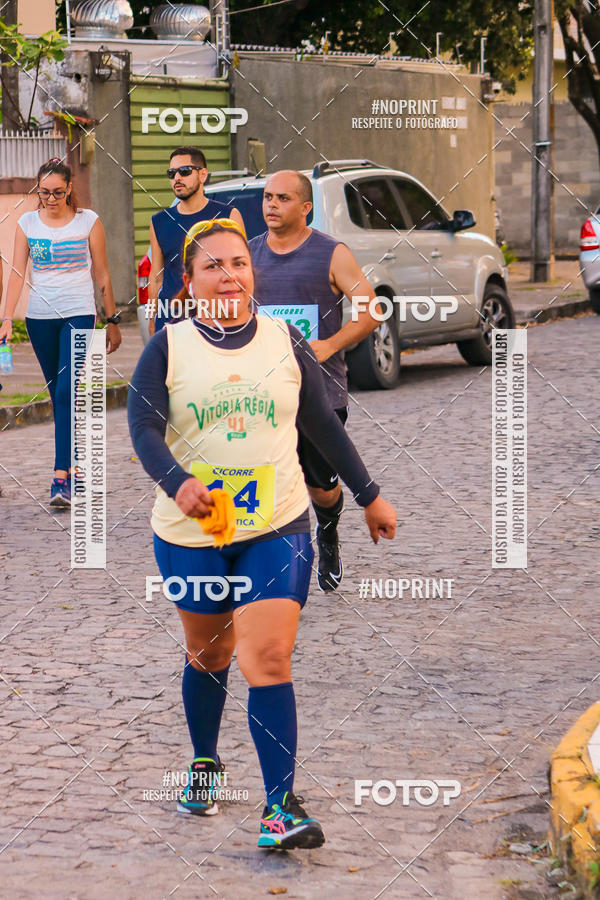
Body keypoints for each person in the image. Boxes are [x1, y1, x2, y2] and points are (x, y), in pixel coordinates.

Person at [128, 219, 396, 849]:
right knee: (211, 653)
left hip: (276, 523)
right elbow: (142, 427)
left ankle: (280, 807)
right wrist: (177, 481)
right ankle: (204, 762)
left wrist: (369, 495)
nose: (228, 275)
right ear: (189, 285)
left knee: (268, 656)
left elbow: (322, 425)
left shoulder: (284, 340)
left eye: (237, 265)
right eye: (212, 267)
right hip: (193, 530)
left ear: (252, 275)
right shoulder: (167, 346)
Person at [250, 170, 382, 592]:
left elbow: (371, 310)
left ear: (305, 207)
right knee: (266, 482)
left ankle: (328, 529)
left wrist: (328, 345)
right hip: (262, 394)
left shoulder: (331, 253)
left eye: (282, 198)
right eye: (268, 197)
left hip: (320, 394)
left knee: (321, 489)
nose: (271, 205)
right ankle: (275, 563)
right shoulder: (248, 255)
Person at [0, 158, 121, 507]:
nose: (50, 199)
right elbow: (17, 274)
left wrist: (112, 319)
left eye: (57, 192)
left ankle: (60, 477)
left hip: (79, 313)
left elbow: (103, 275)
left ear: (69, 188)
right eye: (43, 193)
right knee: (59, 396)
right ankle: (77, 466)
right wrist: (7, 318)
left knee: (68, 387)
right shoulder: (27, 223)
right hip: (39, 319)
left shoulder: (88, 221)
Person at [148, 146, 245, 334]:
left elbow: (240, 273)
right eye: (172, 173)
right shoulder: (159, 221)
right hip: (171, 322)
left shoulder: (228, 216)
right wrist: (152, 321)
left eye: (184, 172)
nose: (177, 178)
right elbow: (156, 279)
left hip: (216, 321)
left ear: (203, 175)